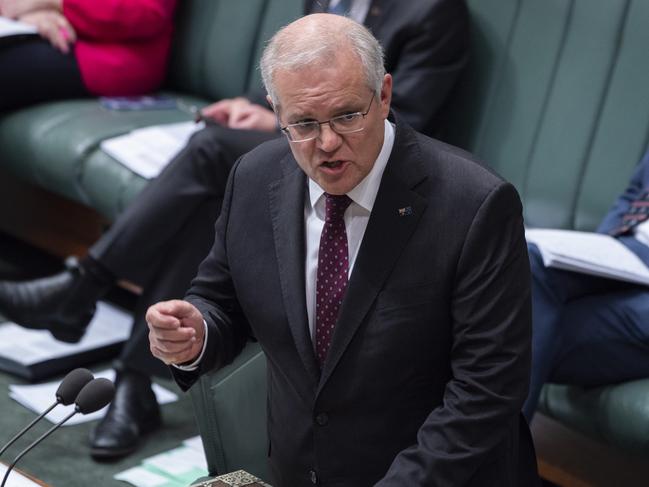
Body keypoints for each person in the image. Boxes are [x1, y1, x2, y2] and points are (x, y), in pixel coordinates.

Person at [0, 0, 469, 460]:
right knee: (223, 183)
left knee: (213, 155)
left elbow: (403, 124)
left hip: (381, 173)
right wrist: (246, 107)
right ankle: (131, 374)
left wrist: (286, 124)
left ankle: (86, 292)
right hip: (292, 137)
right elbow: (295, 76)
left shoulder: (431, 11)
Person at [147, 13, 539, 486]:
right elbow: (221, 300)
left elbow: (487, 390)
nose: (328, 144)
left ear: (385, 95)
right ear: (276, 109)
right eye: (305, 123)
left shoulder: (474, 204)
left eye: (347, 115)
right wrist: (196, 334)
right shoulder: (254, 179)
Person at [524, 151, 649, 421]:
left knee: (516, 333)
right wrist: (603, 251)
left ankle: (488, 458)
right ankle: (489, 457)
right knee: (522, 260)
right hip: (629, 250)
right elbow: (635, 193)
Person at [0, 0, 177, 112]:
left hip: (115, 54)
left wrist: (56, 3)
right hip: (50, 29)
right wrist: (32, 12)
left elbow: (147, 14)